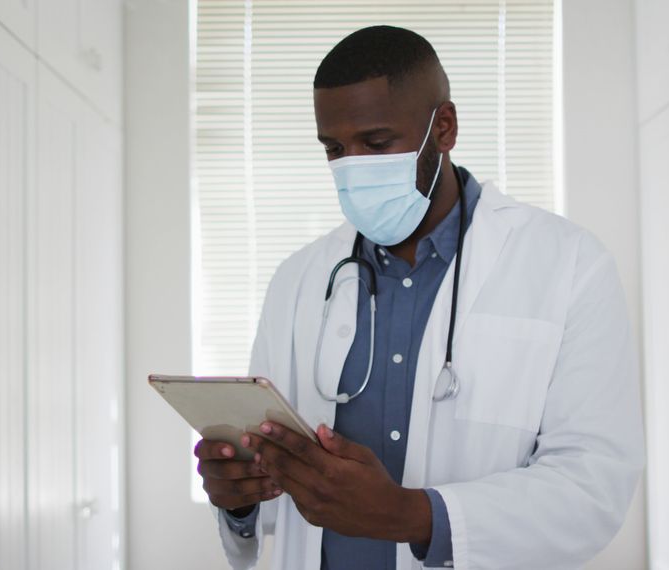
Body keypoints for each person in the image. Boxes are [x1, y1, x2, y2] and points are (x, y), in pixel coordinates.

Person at [193, 25, 644, 570]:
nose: (352, 166)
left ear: (445, 127)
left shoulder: (568, 263)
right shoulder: (299, 278)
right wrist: (239, 496)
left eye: (377, 143)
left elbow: (592, 486)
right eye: (335, 148)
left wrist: (413, 515)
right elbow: (276, 483)